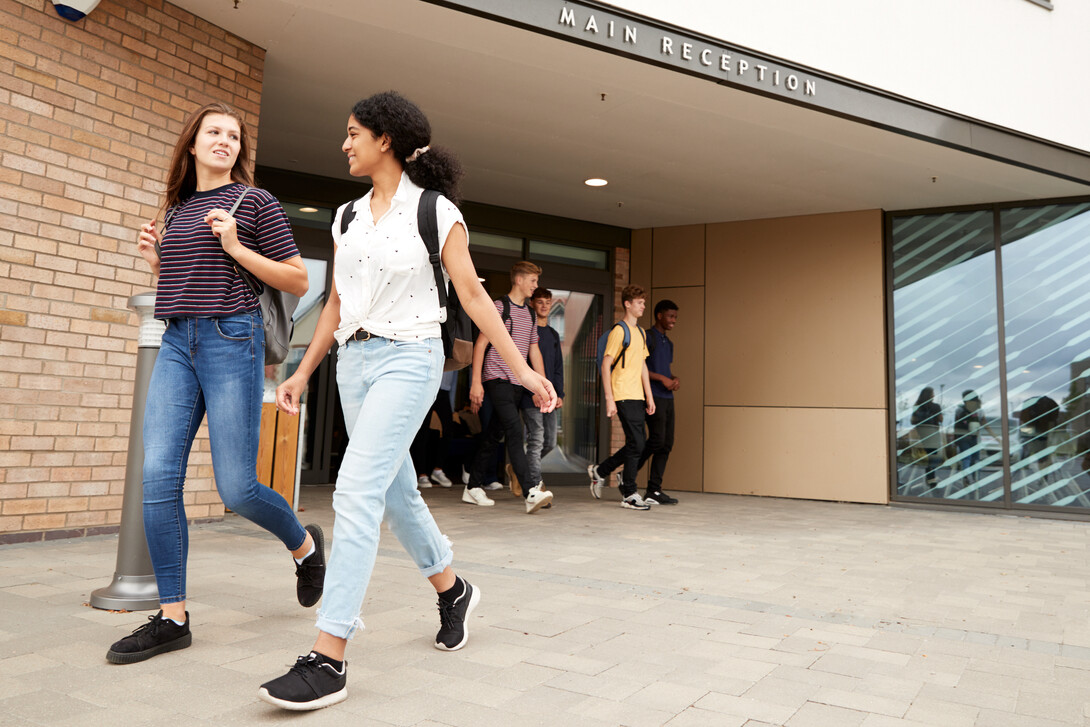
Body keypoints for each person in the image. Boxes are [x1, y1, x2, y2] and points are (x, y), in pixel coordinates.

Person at [258, 92, 556, 711]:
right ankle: (453, 589)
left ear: (385, 141)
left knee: (354, 490)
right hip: (354, 363)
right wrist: (300, 371)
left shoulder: (435, 212)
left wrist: (524, 372)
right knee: (395, 491)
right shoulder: (345, 218)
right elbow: (336, 305)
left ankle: (329, 654)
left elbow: (474, 299)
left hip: (410, 357)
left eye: (352, 134)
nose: (344, 144)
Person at [108, 102, 322, 665]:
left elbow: (298, 279)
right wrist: (158, 259)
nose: (225, 140)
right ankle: (172, 616)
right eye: (214, 133)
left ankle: (304, 546)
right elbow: (180, 285)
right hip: (178, 342)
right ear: (193, 145)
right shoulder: (177, 211)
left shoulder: (254, 203)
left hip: (233, 341)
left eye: (234, 135)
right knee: (157, 477)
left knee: (236, 488)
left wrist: (235, 246)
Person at [464, 261, 555, 513]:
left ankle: (472, 486)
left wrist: (542, 386)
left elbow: (533, 349)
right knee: (515, 431)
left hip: (517, 383)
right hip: (497, 378)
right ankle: (530, 491)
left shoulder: (529, 314)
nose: (535, 286)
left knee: (494, 434)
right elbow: (481, 344)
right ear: (519, 280)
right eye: (533, 281)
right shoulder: (498, 307)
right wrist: (476, 383)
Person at [587, 285, 656, 510]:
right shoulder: (619, 331)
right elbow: (606, 364)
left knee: (638, 442)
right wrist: (609, 398)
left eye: (644, 303)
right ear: (627, 304)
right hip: (622, 393)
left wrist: (649, 396)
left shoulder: (641, 333)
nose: (643, 306)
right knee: (637, 442)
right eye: (639, 303)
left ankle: (602, 471)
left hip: (637, 394)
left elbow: (643, 366)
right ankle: (629, 493)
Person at [521, 287, 564, 490]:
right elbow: (522, 365)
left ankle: (522, 468)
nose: (545, 305)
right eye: (540, 301)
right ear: (532, 304)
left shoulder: (554, 334)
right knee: (536, 440)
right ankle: (535, 484)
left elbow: (558, 366)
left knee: (550, 442)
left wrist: (560, 393)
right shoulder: (528, 330)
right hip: (531, 397)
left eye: (548, 302)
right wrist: (532, 392)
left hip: (550, 396)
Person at [639, 299, 679, 504]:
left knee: (666, 444)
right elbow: (640, 367)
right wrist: (662, 379)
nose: (673, 320)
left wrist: (672, 378)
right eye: (670, 316)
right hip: (652, 397)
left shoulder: (668, 343)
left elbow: (663, 369)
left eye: (675, 317)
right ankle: (629, 472)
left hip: (667, 397)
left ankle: (654, 490)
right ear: (659, 316)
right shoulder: (648, 337)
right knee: (656, 440)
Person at [952, 390, 998, 482]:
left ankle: (966, 476)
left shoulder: (959, 410)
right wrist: (996, 437)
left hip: (962, 437)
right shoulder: (979, 411)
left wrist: (955, 438)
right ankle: (975, 477)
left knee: (966, 457)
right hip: (974, 437)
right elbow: (986, 426)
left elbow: (956, 425)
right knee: (975, 458)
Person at [910, 387, 943, 488]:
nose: (934, 395)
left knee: (931, 456)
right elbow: (941, 419)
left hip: (922, 436)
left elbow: (912, 421)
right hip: (933, 436)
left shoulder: (917, 407)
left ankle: (930, 474)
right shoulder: (936, 407)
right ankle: (930, 474)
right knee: (936, 456)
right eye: (932, 394)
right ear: (930, 395)